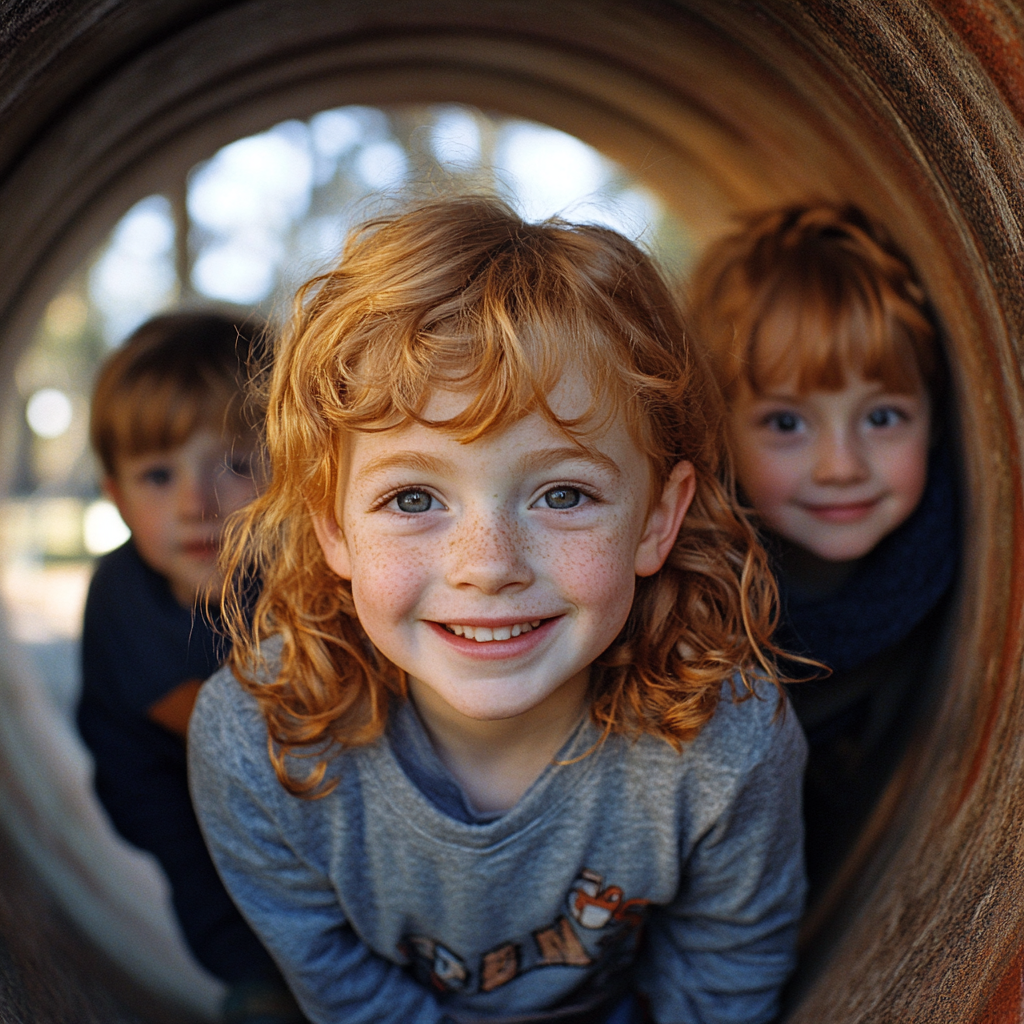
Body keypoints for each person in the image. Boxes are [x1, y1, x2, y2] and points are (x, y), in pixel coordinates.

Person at [188, 196, 807, 1024]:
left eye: (562, 493)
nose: (488, 567)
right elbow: (345, 993)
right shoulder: (260, 743)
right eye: (413, 497)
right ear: (333, 526)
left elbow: (722, 982)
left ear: (658, 519)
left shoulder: (726, 742)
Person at [688, 203, 959, 892]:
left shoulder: (944, 567)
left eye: (882, 416)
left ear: (934, 422)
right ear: (722, 432)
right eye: (786, 421)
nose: (841, 465)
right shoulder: (694, 596)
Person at [77, 313, 303, 1024]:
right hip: (215, 856)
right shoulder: (120, 605)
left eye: (235, 464)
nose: (195, 504)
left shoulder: (312, 587)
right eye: (157, 474)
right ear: (115, 496)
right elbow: (126, 759)